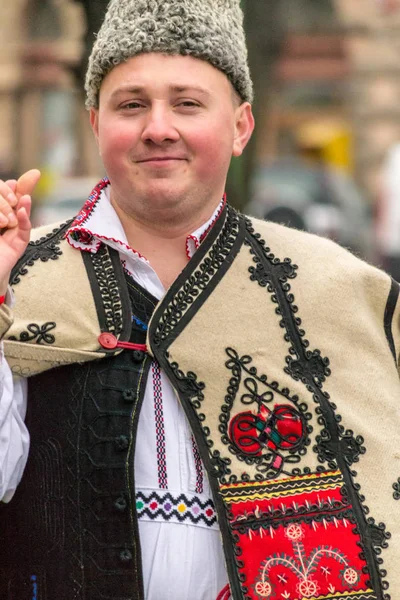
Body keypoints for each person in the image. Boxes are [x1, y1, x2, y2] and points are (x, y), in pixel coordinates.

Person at [0, 1, 400, 599]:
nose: (158, 127)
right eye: (131, 104)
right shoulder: (23, 277)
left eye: (187, 103)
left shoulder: (333, 290)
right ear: (94, 123)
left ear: (241, 126)